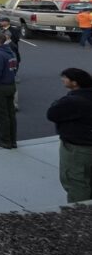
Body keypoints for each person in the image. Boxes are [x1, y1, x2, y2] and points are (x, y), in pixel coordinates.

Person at [46, 68, 92, 203]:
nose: (63, 80)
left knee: (76, 183)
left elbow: (52, 114)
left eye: (65, 78)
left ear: (75, 82)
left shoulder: (73, 101)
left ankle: (81, 217)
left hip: (77, 149)